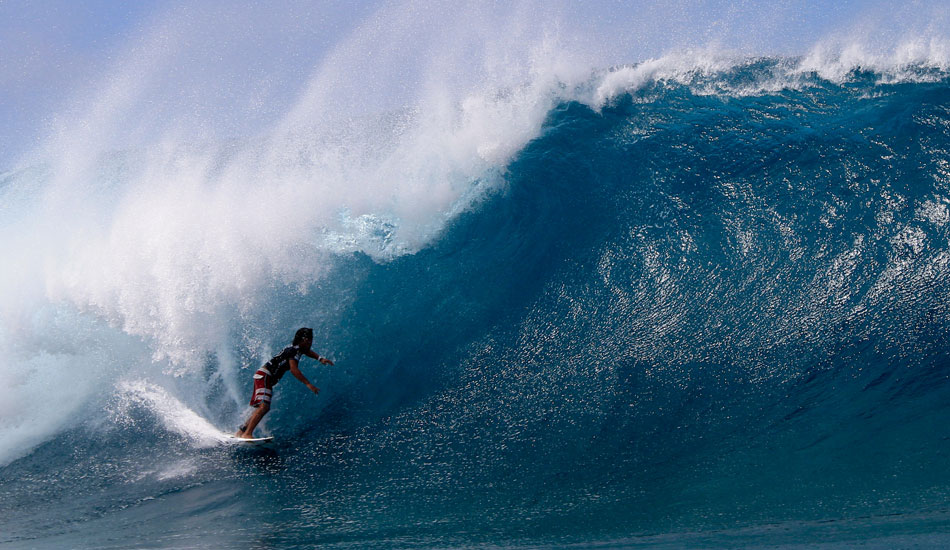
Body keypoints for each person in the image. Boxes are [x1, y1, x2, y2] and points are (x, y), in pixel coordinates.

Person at [236, 327, 334, 438]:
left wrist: (320, 358)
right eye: (308, 340)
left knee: (263, 407)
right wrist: (308, 384)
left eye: (311, 339)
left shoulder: (297, 348)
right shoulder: (293, 351)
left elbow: (307, 352)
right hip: (265, 376)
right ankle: (247, 434)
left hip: (266, 377)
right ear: (302, 340)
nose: (311, 342)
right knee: (263, 407)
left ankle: (241, 431)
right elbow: (293, 369)